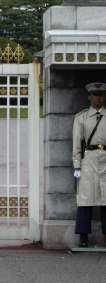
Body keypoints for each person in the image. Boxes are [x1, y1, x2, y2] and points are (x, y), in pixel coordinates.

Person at [73, 82, 106, 247]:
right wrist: (77, 166)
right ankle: (83, 235)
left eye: (100, 94)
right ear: (89, 97)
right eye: (94, 94)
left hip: (105, 159)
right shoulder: (82, 117)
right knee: (85, 199)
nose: (97, 97)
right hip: (89, 159)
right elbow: (77, 144)